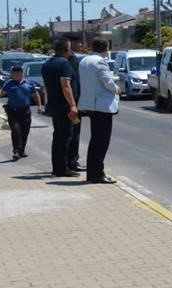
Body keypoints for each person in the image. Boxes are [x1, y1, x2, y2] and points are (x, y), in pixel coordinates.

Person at [78, 38, 119, 184]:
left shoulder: (84, 60)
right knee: (102, 142)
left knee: (95, 141)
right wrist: (116, 88)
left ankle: (92, 174)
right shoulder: (100, 61)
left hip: (89, 105)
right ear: (105, 49)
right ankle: (98, 173)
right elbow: (107, 81)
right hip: (101, 106)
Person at [0, 65, 44, 161]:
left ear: (20, 74)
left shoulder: (29, 83)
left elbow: (35, 94)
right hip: (13, 111)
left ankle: (21, 150)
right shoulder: (9, 83)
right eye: (12, 74)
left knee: (25, 131)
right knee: (16, 131)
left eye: (15, 74)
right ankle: (16, 151)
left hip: (25, 111)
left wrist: (40, 106)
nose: (13, 75)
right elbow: (1, 93)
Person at [41, 37, 80, 176]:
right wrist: (73, 105)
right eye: (69, 48)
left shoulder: (47, 64)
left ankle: (57, 167)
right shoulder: (64, 64)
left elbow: (46, 86)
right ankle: (62, 169)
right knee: (65, 137)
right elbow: (66, 86)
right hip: (64, 106)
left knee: (58, 136)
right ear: (67, 49)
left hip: (54, 104)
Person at [67, 42, 84, 172]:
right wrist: (74, 104)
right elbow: (70, 85)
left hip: (71, 103)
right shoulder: (71, 61)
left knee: (72, 133)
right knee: (72, 133)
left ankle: (71, 161)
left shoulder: (74, 60)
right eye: (78, 43)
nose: (81, 45)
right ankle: (71, 161)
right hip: (72, 104)